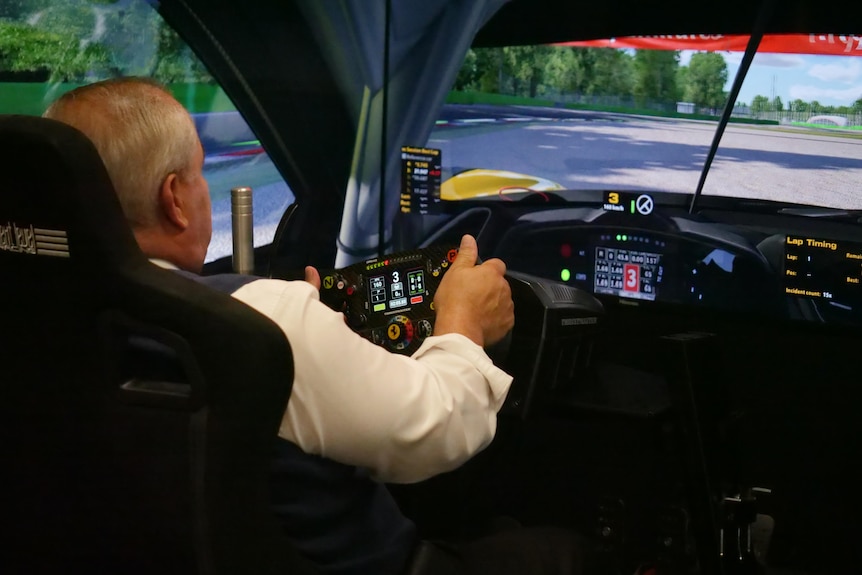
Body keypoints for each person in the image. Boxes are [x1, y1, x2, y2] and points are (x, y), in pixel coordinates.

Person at [43, 77, 589, 575]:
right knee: (563, 550)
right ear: (174, 201)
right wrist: (463, 321)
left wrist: (309, 332)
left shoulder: (35, 316)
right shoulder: (263, 320)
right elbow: (436, 435)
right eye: (199, 174)